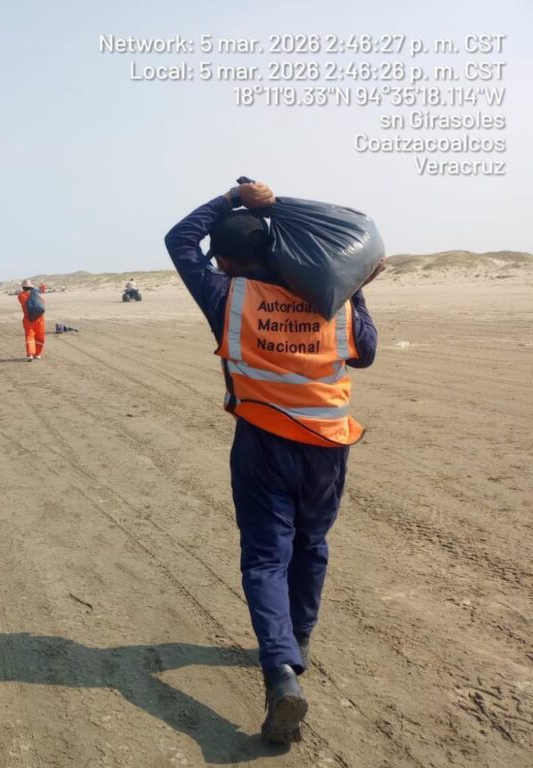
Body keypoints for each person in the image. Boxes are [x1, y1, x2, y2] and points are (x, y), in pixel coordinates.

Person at [165, 181, 383, 744]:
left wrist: (230, 198)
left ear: (231, 260)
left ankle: (281, 672)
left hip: (263, 444)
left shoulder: (228, 298)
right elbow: (369, 351)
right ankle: (300, 641)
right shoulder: (329, 304)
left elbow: (179, 240)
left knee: (265, 558)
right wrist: (354, 291)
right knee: (312, 544)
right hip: (328, 446)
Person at [17, 279, 46, 361]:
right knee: (40, 336)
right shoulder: (37, 294)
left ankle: (30, 354)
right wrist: (41, 287)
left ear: (23, 287)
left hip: (28, 318)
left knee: (30, 336)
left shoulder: (21, 296)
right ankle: (38, 354)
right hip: (39, 318)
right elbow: (42, 302)